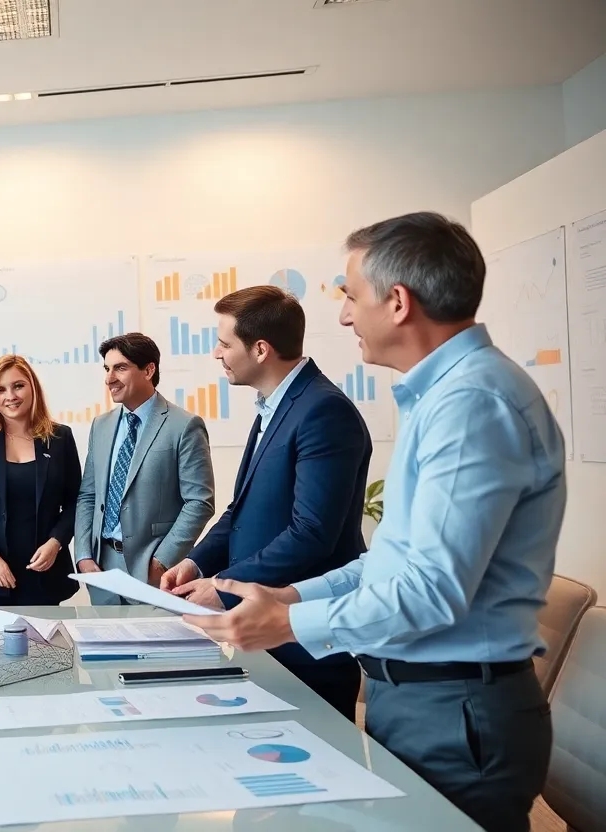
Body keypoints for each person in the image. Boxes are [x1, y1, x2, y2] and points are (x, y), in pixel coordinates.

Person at [186, 212, 564, 832]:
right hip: (420, 698)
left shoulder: (471, 404)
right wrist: (290, 594)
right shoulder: (446, 396)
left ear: (397, 302)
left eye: (350, 296)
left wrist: (288, 620)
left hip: (452, 708)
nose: (342, 316)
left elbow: (431, 590)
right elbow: (389, 560)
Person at [159, 285, 371, 721]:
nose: (217, 354)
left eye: (224, 343)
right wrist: (197, 564)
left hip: (304, 644)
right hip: (265, 636)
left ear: (260, 349)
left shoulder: (322, 411)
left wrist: (223, 586)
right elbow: (242, 510)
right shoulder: (275, 406)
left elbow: (311, 533)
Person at [75, 332, 216, 605]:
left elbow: (200, 502)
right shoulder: (101, 426)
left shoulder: (184, 426)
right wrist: (83, 554)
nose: (109, 378)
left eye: (120, 368)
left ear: (149, 370)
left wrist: (162, 561)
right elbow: (88, 496)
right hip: (101, 570)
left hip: (153, 572)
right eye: (107, 369)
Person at [0, 355, 82, 606]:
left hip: (44, 572)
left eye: (18, 385)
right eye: (0, 389)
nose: (10, 396)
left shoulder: (60, 437)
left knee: (44, 646)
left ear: (33, 387)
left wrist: (56, 542)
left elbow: (77, 501)